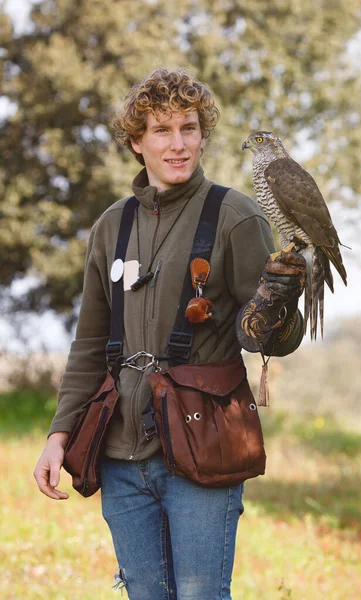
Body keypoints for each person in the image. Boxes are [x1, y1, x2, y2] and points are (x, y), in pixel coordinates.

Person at [34, 68, 306, 600]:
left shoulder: (237, 215)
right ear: (137, 142)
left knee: (202, 595)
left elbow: (272, 339)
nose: (177, 144)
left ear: (204, 135)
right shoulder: (111, 226)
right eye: (161, 130)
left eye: (189, 128)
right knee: (144, 594)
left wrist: (277, 307)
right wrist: (57, 435)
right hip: (120, 452)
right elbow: (90, 343)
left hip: (205, 444)